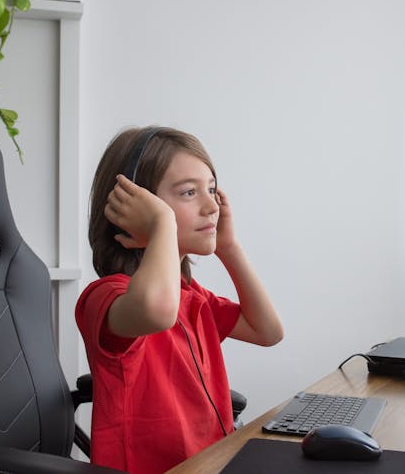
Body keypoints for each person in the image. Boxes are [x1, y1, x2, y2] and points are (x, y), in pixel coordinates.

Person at [76, 126, 284, 473]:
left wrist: (228, 248)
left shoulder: (191, 296)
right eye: (189, 192)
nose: (211, 205)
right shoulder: (106, 297)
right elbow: (157, 312)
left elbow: (268, 331)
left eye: (212, 190)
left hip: (211, 464)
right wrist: (161, 225)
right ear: (132, 206)